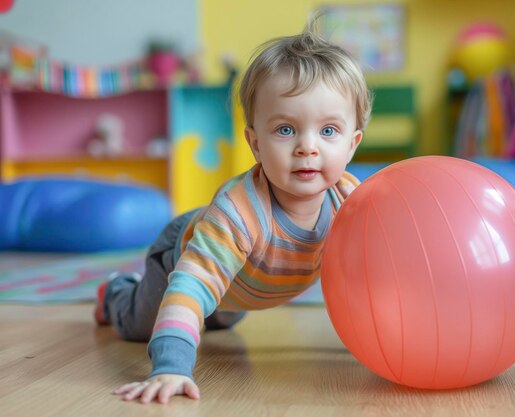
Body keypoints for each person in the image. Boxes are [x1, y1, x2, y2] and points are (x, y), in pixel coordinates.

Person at [94, 20, 371, 404]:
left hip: (242, 283)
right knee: (142, 325)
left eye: (328, 131)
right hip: (187, 253)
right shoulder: (239, 213)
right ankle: (115, 293)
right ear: (255, 143)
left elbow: (375, 276)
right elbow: (191, 287)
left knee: (220, 320)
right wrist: (171, 367)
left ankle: (220, 306)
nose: (308, 147)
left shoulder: (354, 204)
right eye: (286, 130)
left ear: (353, 143)